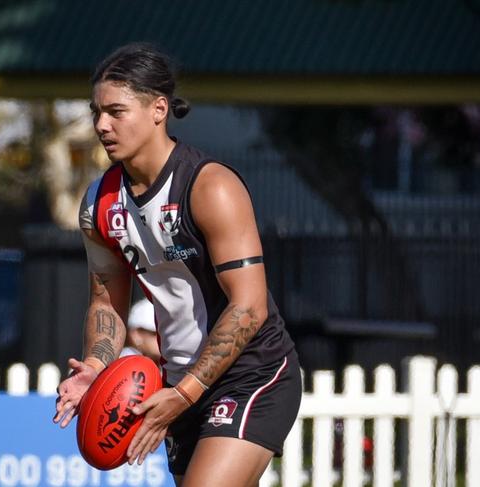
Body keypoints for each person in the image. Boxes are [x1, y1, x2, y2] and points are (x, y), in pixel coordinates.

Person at [53, 43, 302, 487]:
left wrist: (184, 394)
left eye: (116, 111)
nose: (100, 125)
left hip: (251, 374)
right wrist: (95, 364)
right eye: (95, 112)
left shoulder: (210, 187)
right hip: (174, 383)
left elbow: (249, 307)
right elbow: (106, 303)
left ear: (158, 109)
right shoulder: (98, 203)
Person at [121, 297, 161, 364]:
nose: (162, 338)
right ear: (136, 334)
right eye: (154, 333)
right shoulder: (125, 362)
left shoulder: (165, 364)